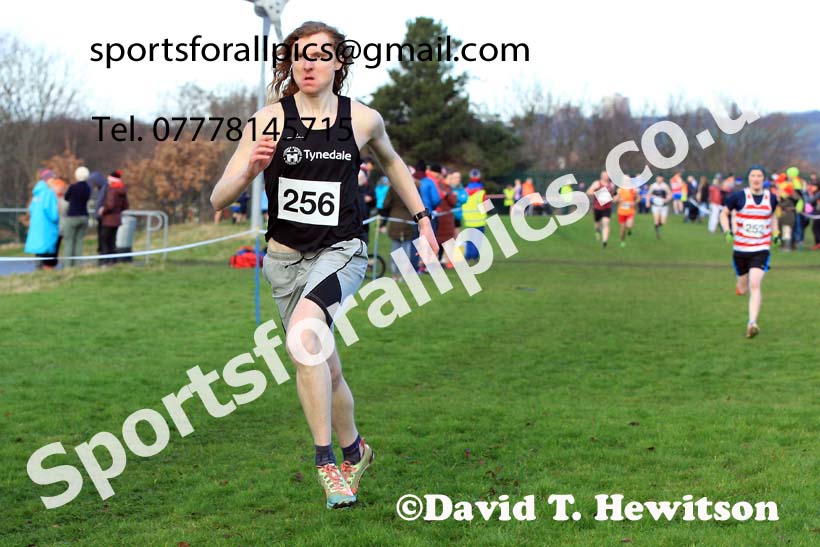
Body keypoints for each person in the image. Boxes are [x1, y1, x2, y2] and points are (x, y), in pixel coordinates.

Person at [209, 21, 438, 510]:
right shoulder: (267, 119)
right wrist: (251, 170)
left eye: (319, 54)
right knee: (323, 366)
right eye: (299, 54)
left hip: (342, 251)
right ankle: (357, 450)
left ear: (339, 63)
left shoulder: (363, 121)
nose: (308, 63)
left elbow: (393, 163)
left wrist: (423, 220)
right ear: (290, 62)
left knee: (305, 338)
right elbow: (217, 196)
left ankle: (326, 463)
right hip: (284, 260)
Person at [719, 165, 779, 338]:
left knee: (755, 284)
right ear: (749, 178)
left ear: (764, 179)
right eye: (753, 175)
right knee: (743, 288)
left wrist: (775, 234)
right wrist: (727, 231)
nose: (756, 178)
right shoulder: (738, 197)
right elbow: (724, 213)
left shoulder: (772, 198)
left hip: (760, 249)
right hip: (740, 250)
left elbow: (773, 216)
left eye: (759, 175)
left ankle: (752, 323)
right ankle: (740, 286)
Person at [24, 169, 60, 269]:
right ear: (48, 179)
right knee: (46, 254)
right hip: (46, 229)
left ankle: (38, 270)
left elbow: (31, 209)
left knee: (39, 253)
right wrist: (58, 220)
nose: (53, 180)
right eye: (52, 178)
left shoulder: (36, 194)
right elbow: (53, 214)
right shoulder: (49, 193)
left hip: (36, 228)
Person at [380, 178, 414, 281]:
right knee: (405, 249)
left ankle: (395, 274)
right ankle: (403, 274)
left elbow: (385, 204)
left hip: (396, 219)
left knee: (395, 249)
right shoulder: (412, 188)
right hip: (408, 220)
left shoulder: (392, 188)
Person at [98, 170, 129, 265]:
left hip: (108, 220)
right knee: (112, 241)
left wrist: (103, 209)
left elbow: (110, 205)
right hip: (117, 219)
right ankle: (113, 260)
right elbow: (126, 205)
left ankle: (105, 260)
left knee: (105, 240)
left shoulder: (112, 190)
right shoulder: (122, 191)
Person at [63, 166, 92, 267]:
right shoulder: (88, 188)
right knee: (79, 241)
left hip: (72, 217)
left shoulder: (73, 187)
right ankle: (77, 265)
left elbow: (66, 197)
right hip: (84, 216)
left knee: (69, 241)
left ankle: (67, 265)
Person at [430, 163, 457, 265]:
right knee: (437, 241)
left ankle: (441, 260)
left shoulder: (447, 188)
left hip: (446, 219)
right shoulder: (438, 186)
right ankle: (434, 261)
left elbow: (454, 201)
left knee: (444, 241)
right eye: (450, 178)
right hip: (440, 218)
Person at [462, 169, 487, 260]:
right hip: (479, 221)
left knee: (469, 240)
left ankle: (468, 256)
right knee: (478, 240)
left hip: (468, 221)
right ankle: (475, 256)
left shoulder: (464, 191)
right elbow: (486, 207)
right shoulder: (481, 192)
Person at [586, 170, 615, 248]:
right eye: (604, 175)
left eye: (607, 175)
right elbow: (588, 191)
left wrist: (614, 198)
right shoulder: (597, 183)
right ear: (601, 176)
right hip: (597, 208)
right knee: (597, 223)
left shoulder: (611, 185)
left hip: (607, 208)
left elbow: (613, 195)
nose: (606, 177)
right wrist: (599, 193)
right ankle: (597, 231)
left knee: (606, 222)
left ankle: (604, 241)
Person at [614, 183, 637, 247]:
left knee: (629, 225)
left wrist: (634, 203)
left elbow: (638, 198)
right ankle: (622, 241)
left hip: (630, 211)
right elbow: (614, 200)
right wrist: (618, 199)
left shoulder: (633, 190)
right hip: (621, 212)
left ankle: (629, 229)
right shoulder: (619, 190)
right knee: (623, 229)